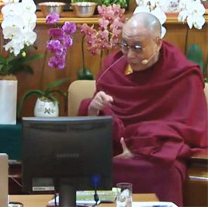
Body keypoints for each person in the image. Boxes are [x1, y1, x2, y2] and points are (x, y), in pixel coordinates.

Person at [78, 13, 208, 206]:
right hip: (115, 153)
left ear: (157, 43)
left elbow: (191, 130)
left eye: (138, 48)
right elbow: (99, 123)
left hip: (156, 158)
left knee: (168, 172)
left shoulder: (181, 74)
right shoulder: (112, 69)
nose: (129, 55)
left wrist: (140, 147)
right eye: (124, 45)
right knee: (85, 168)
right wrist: (94, 108)